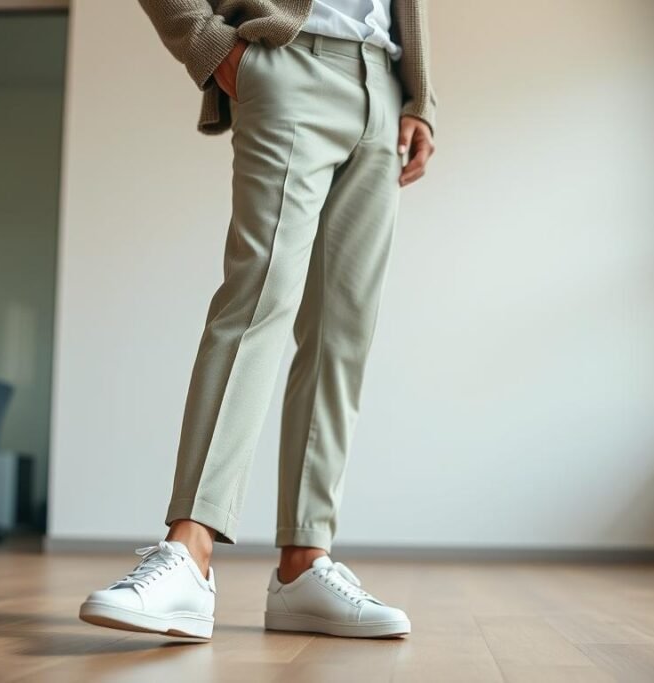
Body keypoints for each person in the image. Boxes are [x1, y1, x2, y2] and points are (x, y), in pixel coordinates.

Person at [79, 0, 436, 640]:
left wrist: (418, 99)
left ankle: (304, 565)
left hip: (383, 85)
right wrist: (212, 47)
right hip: (287, 62)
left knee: (341, 335)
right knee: (256, 301)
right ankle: (189, 551)